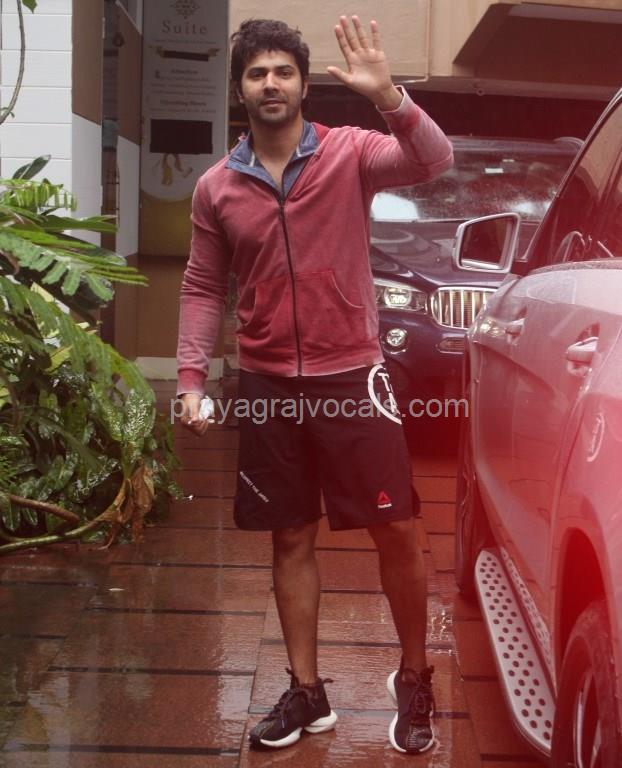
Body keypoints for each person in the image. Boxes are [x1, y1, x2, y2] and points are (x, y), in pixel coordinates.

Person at [176, 15, 453, 755]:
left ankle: (414, 676)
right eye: (257, 73)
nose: (271, 83)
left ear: (302, 83)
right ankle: (307, 692)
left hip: (353, 374)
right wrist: (191, 378)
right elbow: (202, 286)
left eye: (283, 71)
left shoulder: (350, 152)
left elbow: (433, 159)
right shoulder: (217, 187)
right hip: (269, 383)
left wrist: (389, 96)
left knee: (397, 528)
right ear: (240, 89)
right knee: (290, 535)